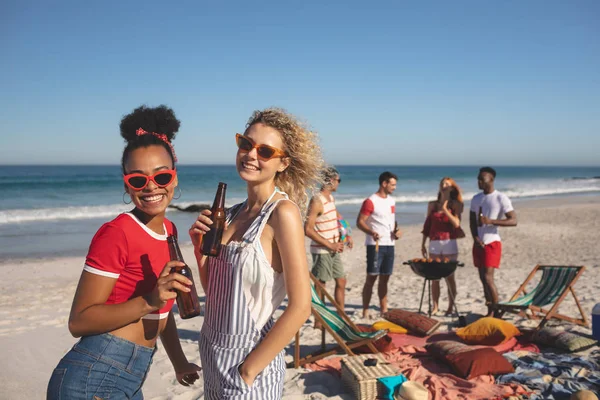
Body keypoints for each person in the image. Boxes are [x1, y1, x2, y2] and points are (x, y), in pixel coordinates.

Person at [47, 105, 200, 399]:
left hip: (131, 376)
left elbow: (163, 308)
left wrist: (179, 363)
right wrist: (150, 299)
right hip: (93, 375)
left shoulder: (169, 230)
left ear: (175, 177)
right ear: (127, 185)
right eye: (138, 180)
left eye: (162, 177)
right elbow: (79, 321)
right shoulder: (116, 233)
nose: (151, 186)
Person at [189, 107, 322, 399]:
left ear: (283, 163)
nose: (251, 154)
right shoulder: (233, 214)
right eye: (246, 144)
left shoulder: (282, 214)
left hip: (249, 368)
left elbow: (301, 307)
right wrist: (200, 253)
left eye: (265, 151)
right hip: (212, 358)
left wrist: (248, 371)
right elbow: (216, 294)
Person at [469, 166, 517, 317]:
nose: (479, 182)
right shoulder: (476, 198)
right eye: (478, 179)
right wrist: (475, 238)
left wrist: (491, 221)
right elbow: (472, 221)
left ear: (491, 180)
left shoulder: (500, 198)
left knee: (488, 278)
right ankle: (489, 310)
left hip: (492, 242)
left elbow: (513, 220)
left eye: (481, 179)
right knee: (482, 279)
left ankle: (496, 312)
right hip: (478, 243)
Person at [305, 166, 353, 311]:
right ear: (331, 181)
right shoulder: (317, 201)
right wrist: (330, 245)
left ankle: (341, 315)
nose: (339, 183)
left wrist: (348, 234)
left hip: (334, 248)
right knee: (321, 285)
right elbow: (307, 229)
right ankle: (319, 321)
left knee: (341, 281)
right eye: (339, 180)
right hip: (322, 250)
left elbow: (338, 217)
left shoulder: (330, 198)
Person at [357, 171, 402, 319]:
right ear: (384, 183)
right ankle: (365, 310)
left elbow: (391, 220)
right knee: (371, 278)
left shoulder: (391, 201)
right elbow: (360, 222)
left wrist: (397, 231)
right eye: (393, 184)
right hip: (375, 245)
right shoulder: (370, 201)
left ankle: (384, 309)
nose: (395, 187)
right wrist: (371, 232)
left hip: (390, 244)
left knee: (385, 278)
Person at [421, 177, 465, 315]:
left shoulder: (456, 205)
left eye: (447, 184)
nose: (444, 185)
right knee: (434, 277)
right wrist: (423, 243)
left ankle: (451, 306)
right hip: (434, 242)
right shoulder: (432, 205)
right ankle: (435, 306)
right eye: (442, 183)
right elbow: (427, 225)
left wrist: (445, 209)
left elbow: (457, 224)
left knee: (449, 276)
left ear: (452, 188)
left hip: (449, 242)